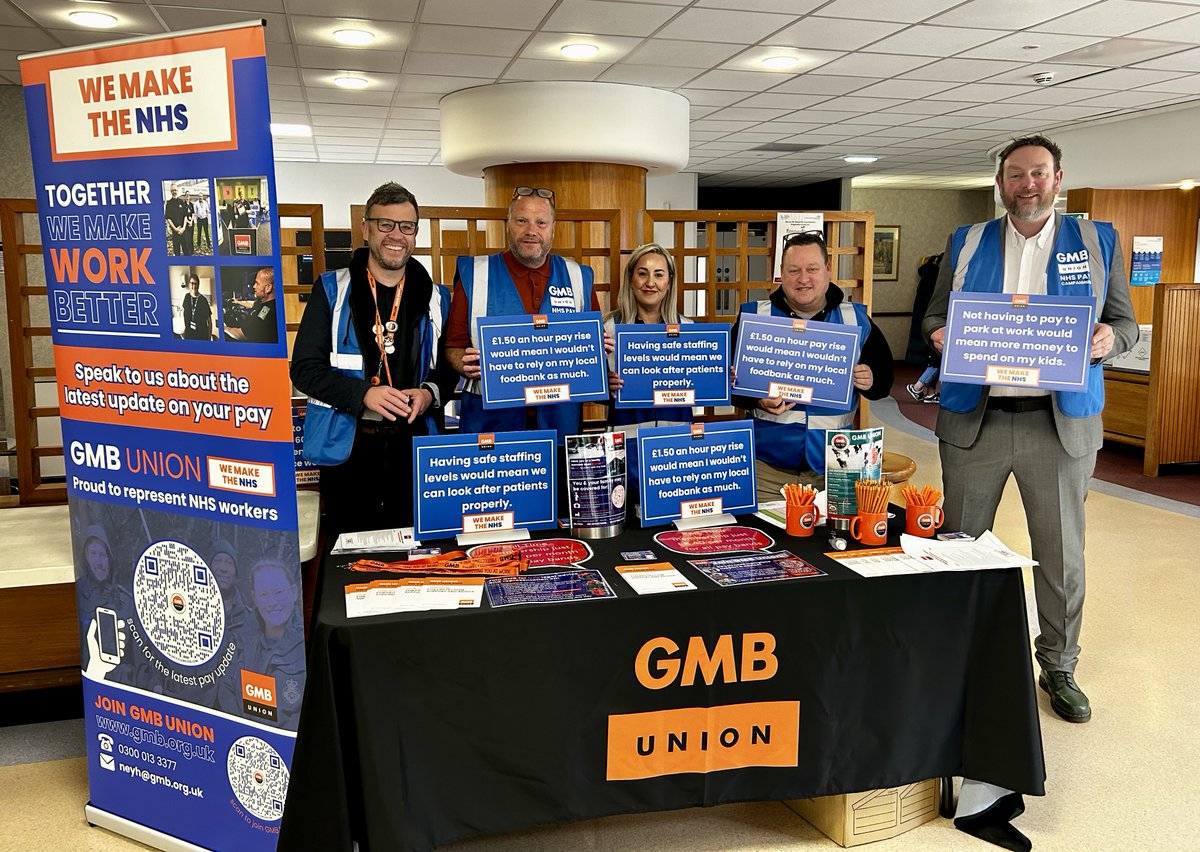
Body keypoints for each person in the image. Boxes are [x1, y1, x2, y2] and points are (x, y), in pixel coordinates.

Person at [923, 134, 1136, 851]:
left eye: (1038, 173)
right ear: (1000, 181)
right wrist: (940, 334)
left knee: (1061, 556)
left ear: (1057, 179)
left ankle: (1060, 669)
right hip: (977, 420)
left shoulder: (1095, 237)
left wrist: (1110, 341)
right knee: (959, 552)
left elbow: (1127, 323)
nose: (1027, 183)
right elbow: (929, 320)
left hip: (1058, 422)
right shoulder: (967, 239)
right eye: (1016, 174)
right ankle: (957, 665)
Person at [290, 182, 457, 534]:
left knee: (419, 557)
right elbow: (305, 370)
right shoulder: (331, 289)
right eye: (385, 224)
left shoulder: (438, 297)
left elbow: (448, 368)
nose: (396, 235)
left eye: (406, 226)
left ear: (415, 233)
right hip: (349, 448)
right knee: (349, 559)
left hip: (415, 449)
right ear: (366, 228)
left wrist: (428, 394)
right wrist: (363, 394)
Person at [734, 231, 893, 502]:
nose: (803, 278)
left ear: (828, 270)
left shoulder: (855, 319)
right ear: (781, 272)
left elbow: (883, 383)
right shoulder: (754, 318)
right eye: (794, 270)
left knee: (835, 542)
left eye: (812, 269)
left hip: (839, 467)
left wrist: (870, 380)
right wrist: (757, 401)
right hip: (767, 469)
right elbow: (730, 386)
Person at [446, 186, 602, 445]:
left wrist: (598, 350)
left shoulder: (578, 277)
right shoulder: (476, 274)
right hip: (491, 425)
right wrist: (462, 361)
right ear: (508, 225)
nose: (532, 230)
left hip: (559, 424)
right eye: (522, 220)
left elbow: (591, 355)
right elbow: (453, 347)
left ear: (553, 228)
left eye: (541, 222)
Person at [604, 243, 693, 484]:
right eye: (642, 273)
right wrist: (604, 385)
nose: (650, 283)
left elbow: (704, 387)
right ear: (631, 279)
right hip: (624, 449)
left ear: (669, 281)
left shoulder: (690, 330)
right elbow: (589, 386)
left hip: (676, 449)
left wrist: (720, 378)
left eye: (659, 274)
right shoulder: (607, 329)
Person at [220, 554, 305, 728]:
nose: (272, 602)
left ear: (294, 592)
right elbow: (225, 689)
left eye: (279, 592)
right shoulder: (240, 642)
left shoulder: (306, 645)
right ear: (254, 598)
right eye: (264, 594)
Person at [225, 267, 278, 343]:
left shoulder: (267, 313)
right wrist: (237, 302)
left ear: (268, 288)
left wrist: (225, 328)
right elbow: (252, 304)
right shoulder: (264, 303)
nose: (254, 286)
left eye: (257, 283)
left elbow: (240, 335)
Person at [181, 273, 212, 340]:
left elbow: (209, 322)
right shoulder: (187, 297)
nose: (194, 286)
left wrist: (209, 338)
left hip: (201, 335)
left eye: (196, 283)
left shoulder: (203, 300)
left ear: (198, 285)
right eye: (192, 283)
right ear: (189, 284)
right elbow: (184, 314)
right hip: (189, 334)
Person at [164, 184, 192, 257]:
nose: (174, 192)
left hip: (183, 230)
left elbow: (185, 216)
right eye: (172, 190)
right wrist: (175, 229)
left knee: (186, 251)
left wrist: (183, 228)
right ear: (170, 192)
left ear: (177, 191)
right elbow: (168, 218)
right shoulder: (169, 204)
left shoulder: (181, 202)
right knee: (177, 252)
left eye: (175, 190)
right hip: (175, 231)